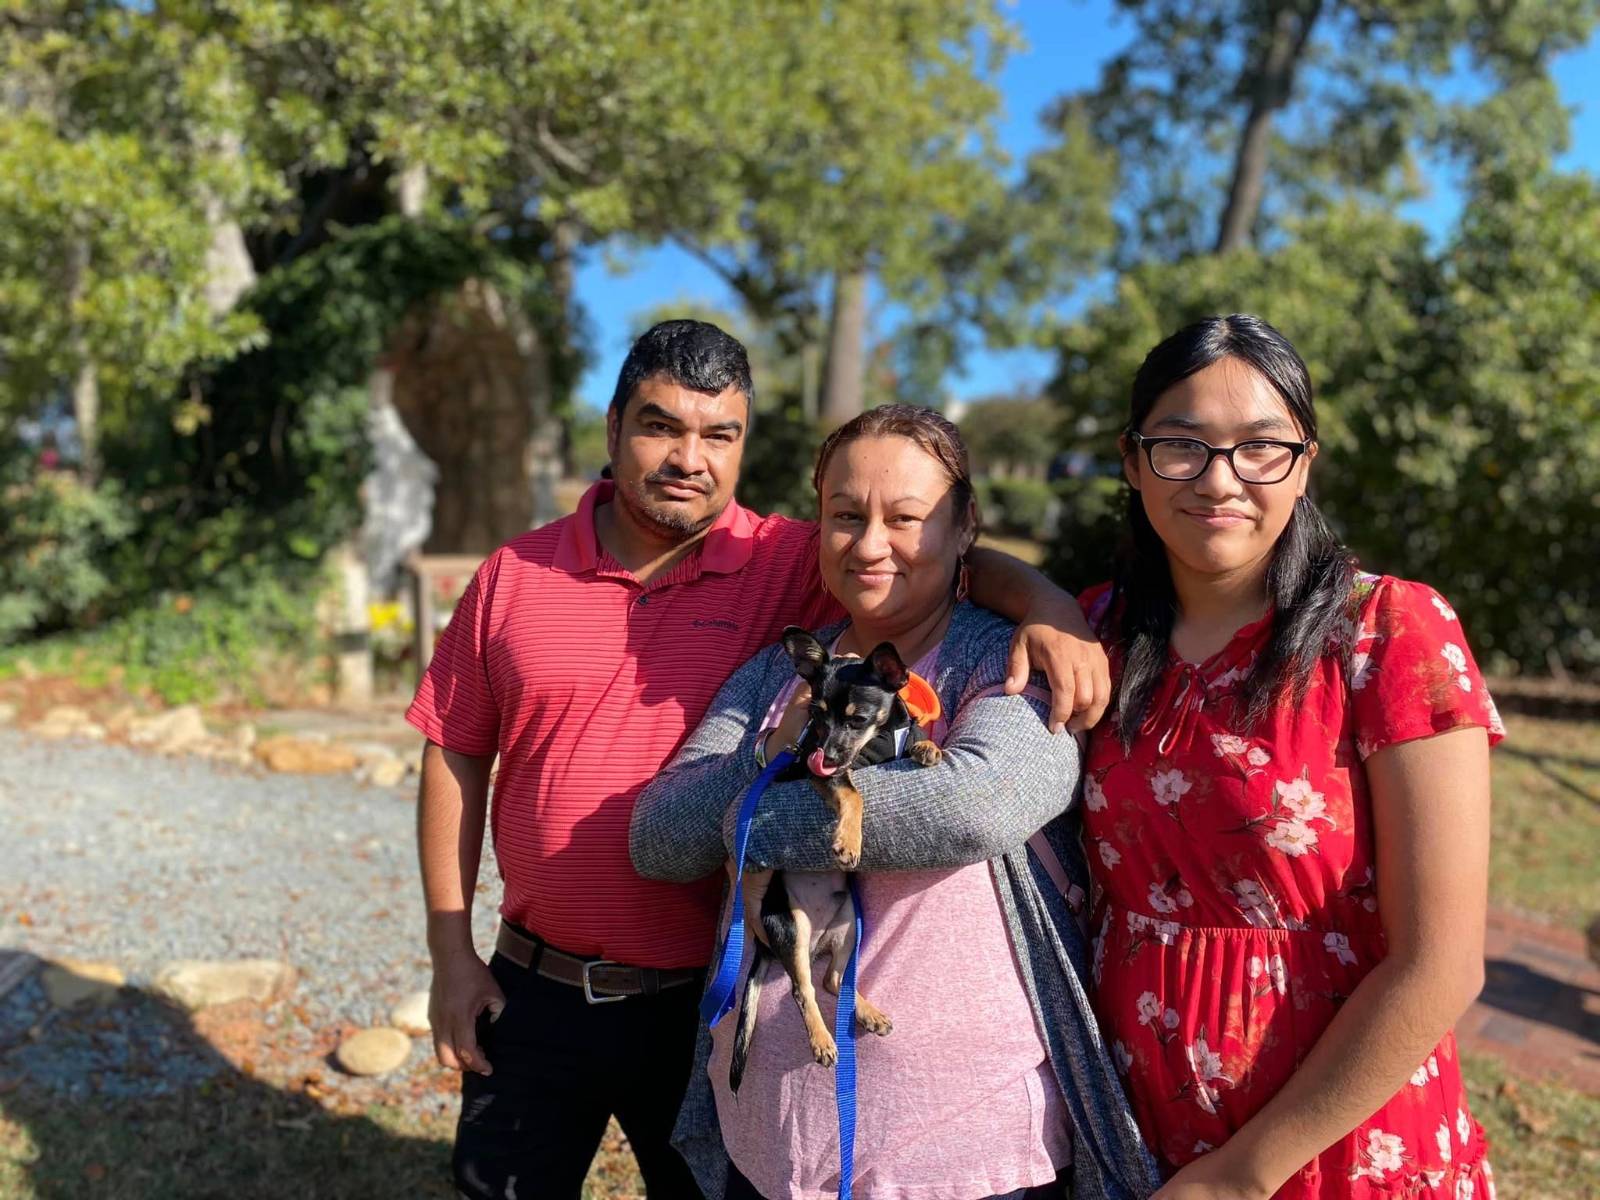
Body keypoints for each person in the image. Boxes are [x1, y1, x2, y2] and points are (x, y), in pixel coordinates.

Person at [407, 320, 1115, 1199]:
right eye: (660, 426)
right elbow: (458, 751)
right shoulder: (514, 575)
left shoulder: (784, 559)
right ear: (612, 429)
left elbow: (926, 553)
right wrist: (450, 948)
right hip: (537, 978)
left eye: (719, 435)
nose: (687, 458)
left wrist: (1047, 605)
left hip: (701, 987)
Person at [630, 405, 1161, 1200]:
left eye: (906, 517)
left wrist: (759, 809)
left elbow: (982, 803)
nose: (871, 544)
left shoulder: (1006, 657)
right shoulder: (779, 678)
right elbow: (659, 839)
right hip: (770, 1146)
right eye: (845, 516)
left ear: (964, 527)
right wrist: (765, 751)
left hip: (963, 1155)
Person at [1079, 315, 1503, 1199]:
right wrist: (1025, 593)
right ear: (1132, 461)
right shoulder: (1094, 634)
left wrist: (1240, 1176)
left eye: (1261, 448)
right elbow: (927, 572)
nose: (1221, 480)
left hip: (1337, 1143)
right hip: (1134, 1134)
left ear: (1304, 463)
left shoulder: (1387, 630)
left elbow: (1443, 963)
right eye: (1181, 447)